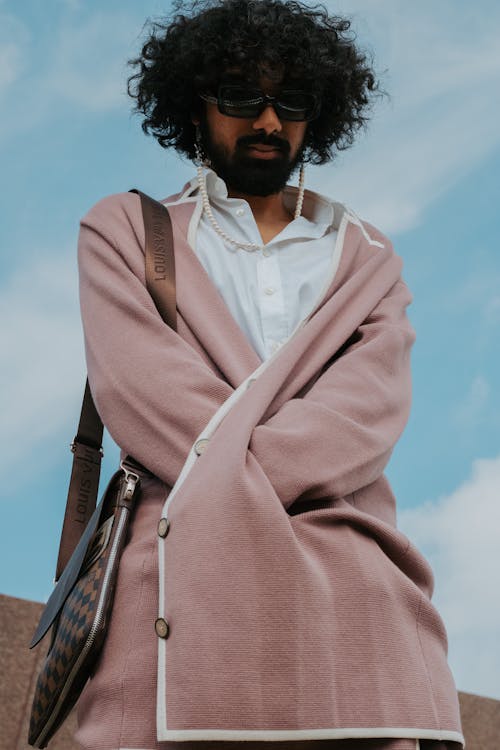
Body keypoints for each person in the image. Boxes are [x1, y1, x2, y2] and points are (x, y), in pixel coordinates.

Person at [73, 1, 465, 749]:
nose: (267, 120)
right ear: (193, 103)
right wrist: (249, 489)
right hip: (180, 598)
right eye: (240, 95)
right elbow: (147, 398)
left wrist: (231, 477)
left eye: (291, 101)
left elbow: (365, 417)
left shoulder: (369, 259)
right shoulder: (124, 232)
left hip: (354, 604)